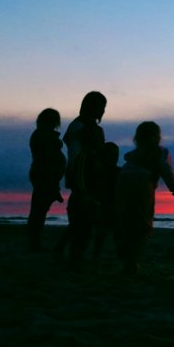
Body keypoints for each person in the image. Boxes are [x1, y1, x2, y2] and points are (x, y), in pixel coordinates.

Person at [115, 121, 174, 274]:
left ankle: (127, 255)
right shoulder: (160, 153)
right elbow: (166, 172)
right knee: (143, 223)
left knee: (127, 219)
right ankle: (132, 263)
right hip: (142, 184)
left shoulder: (133, 156)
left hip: (123, 181)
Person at [59, 91, 107, 270]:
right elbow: (77, 154)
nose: (102, 111)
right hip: (83, 175)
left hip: (89, 175)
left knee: (83, 218)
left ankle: (66, 252)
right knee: (83, 217)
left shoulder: (84, 126)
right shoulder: (80, 127)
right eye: (100, 107)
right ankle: (74, 258)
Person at [27, 108, 66, 252]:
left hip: (46, 176)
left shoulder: (43, 135)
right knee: (39, 210)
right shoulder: (42, 136)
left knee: (40, 209)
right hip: (44, 175)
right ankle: (34, 242)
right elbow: (46, 158)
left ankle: (34, 241)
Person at [91, 141, 120, 259]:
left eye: (115, 155)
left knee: (115, 232)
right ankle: (96, 254)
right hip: (105, 205)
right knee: (104, 232)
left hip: (113, 205)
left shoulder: (117, 171)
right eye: (112, 155)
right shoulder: (100, 171)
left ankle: (97, 254)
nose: (114, 158)